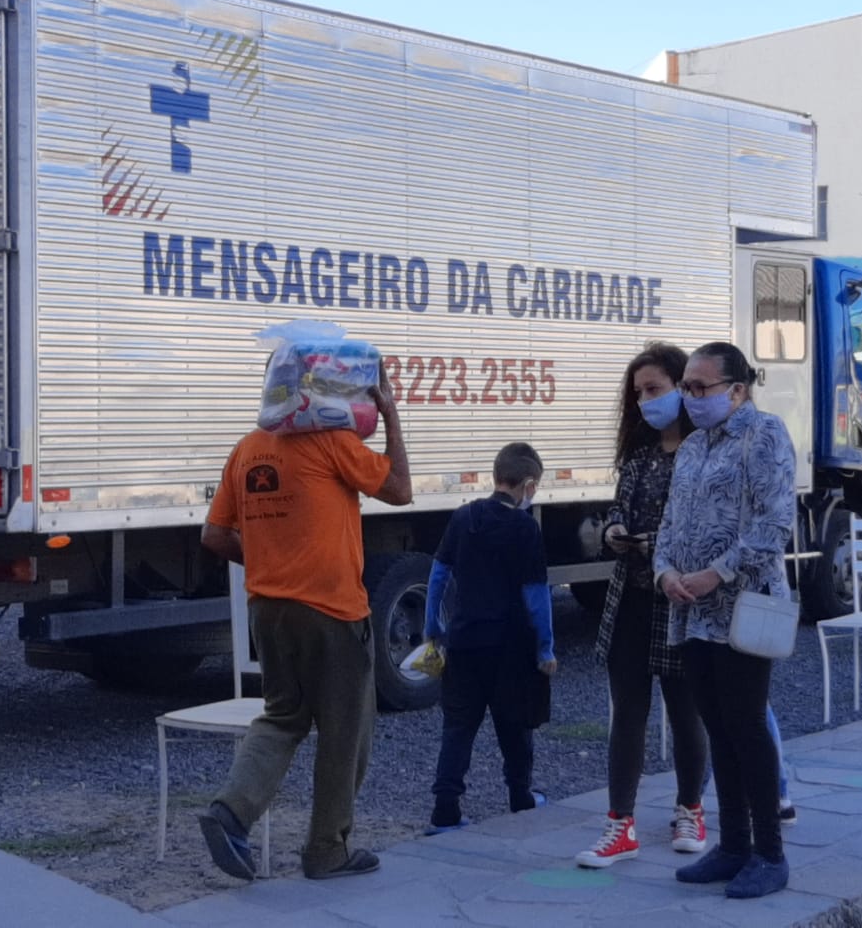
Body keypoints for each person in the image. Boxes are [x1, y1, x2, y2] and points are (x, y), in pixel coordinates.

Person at [196, 361, 412, 882]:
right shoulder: (332, 441)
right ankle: (326, 850)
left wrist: (273, 562)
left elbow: (214, 535)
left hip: (268, 611)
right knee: (346, 732)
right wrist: (391, 417)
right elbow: (400, 489)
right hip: (331, 610)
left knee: (282, 716)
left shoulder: (249, 448)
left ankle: (230, 812)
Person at [655, 341, 796, 900]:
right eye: (685, 387)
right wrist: (666, 570)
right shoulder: (690, 448)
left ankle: (768, 852)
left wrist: (717, 572)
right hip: (691, 611)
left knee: (747, 726)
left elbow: (775, 520)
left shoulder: (764, 435)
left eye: (699, 387)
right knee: (716, 725)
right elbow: (671, 520)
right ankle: (733, 843)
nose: (689, 397)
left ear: (736, 390)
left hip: (743, 606)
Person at [575, 342, 711, 868]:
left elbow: (700, 529)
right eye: (638, 393)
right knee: (627, 713)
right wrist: (612, 529)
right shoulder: (638, 455)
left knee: (685, 713)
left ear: (684, 387)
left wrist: (654, 546)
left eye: (655, 389)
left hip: (679, 601)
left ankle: (690, 809)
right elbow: (619, 504)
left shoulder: (705, 454)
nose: (645, 401)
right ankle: (619, 825)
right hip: (629, 597)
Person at [422, 442, 557, 834]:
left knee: (458, 726)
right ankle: (520, 797)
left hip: (463, 640)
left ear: (495, 477)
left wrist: (433, 627)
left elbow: (437, 576)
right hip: (510, 646)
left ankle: (445, 810)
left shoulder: (463, 517)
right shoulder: (525, 528)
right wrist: (545, 648)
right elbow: (537, 596)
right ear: (528, 485)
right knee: (515, 726)